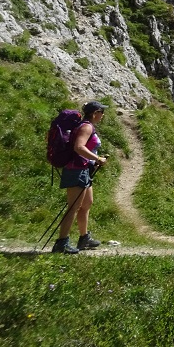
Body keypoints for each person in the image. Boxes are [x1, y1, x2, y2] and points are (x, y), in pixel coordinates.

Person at [53, 101, 109, 254]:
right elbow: (79, 147)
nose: (103, 115)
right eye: (101, 112)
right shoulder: (86, 127)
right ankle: (61, 243)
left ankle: (84, 238)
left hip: (83, 168)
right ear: (95, 113)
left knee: (86, 204)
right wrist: (97, 159)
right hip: (76, 170)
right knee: (73, 207)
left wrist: (92, 161)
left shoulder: (86, 126)